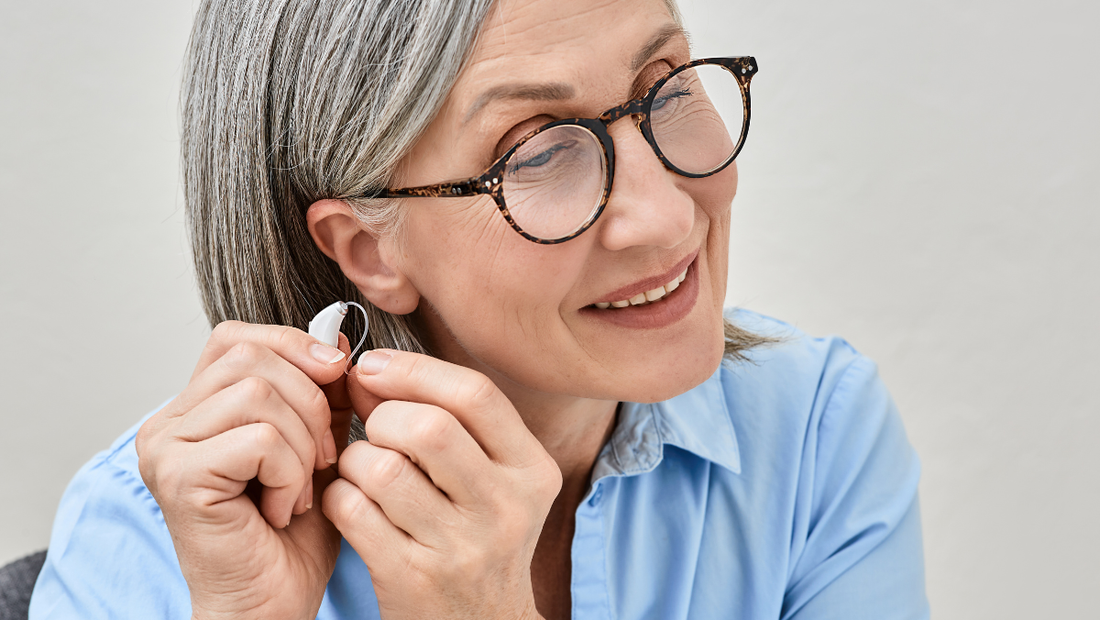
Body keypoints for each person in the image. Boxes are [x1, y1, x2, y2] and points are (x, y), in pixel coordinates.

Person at [29, 0, 928, 618]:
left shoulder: (814, 429)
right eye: (539, 153)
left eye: (669, 85)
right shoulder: (154, 539)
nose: (664, 216)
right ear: (367, 251)